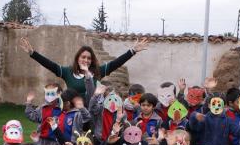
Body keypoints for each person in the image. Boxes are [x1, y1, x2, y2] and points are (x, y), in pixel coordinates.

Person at [19, 37, 149, 99]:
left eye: (88, 58)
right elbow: (49, 64)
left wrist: (132, 51)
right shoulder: (67, 72)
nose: (86, 60)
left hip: (92, 112)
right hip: (73, 112)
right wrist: (33, 53)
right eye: (83, 57)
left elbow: (116, 63)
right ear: (77, 58)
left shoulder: (98, 72)